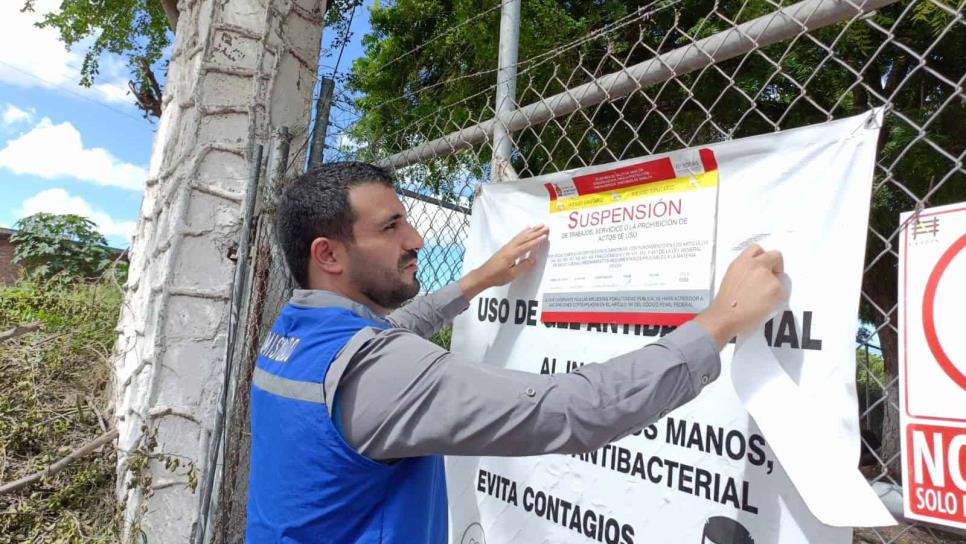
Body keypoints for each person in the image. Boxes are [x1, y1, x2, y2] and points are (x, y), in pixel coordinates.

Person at [245, 162, 786, 543]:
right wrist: (719, 322)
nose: (416, 239)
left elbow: (395, 330)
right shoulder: (378, 372)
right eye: (390, 227)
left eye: (407, 219)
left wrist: (479, 279)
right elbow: (573, 409)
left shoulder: (296, 333)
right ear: (329, 255)